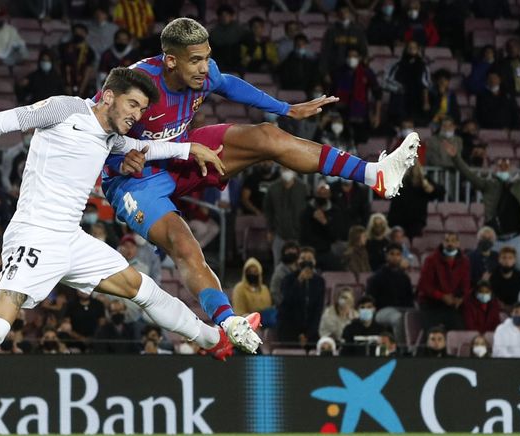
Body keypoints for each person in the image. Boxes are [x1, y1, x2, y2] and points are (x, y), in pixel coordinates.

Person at [0, 68, 262, 436]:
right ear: (109, 96)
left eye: (142, 109)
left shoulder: (112, 137)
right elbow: (1, 121)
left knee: (142, 288)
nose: (137, 115)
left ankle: (214, 340)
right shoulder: (65, 109)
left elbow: (146, 148)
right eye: (133, 104)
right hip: (33, 235)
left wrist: (188, 149)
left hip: (72, 240)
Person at [102, 18, 419, 335]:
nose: (205, 68)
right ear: (171, 61)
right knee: (182, 243)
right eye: (196, 60)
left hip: (183, 152)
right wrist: (118, 162)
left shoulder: (204, 73)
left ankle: (374, 174)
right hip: (135, 179)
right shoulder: (136, 83)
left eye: (207, 57)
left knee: (268, 135)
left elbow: (228, 84)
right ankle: (229, 323)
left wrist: (285, 109)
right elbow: (92, 129)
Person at [452, 155, 520, 276]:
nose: (503, 168)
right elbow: (468, 174)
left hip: (516, 238)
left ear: (511, 168)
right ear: (495, 168)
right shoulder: (488, 185)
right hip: (494, 239)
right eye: (500, 165)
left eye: (506, 165)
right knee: (490, 273)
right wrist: (455, 158)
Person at [417, 232, 471, 331]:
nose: (450, 243)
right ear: (442, 242)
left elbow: (465, 284)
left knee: (459, 331)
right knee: (432, 332)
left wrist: (461, 298)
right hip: (431, 305)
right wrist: (442, 296)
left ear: (458, 243)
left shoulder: (464, 261)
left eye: (453, 241)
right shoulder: (431, 260)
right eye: (447, 240)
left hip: (451, 305)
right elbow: (424, 284)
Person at [278, 247, 325, 347]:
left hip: (311, 332)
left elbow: (318, 310)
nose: (306, 261)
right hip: (290, 329)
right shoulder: (288, 279)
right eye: (303, 258)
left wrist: (307, 335)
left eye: (310, 258)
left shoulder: (320, 281)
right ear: (297, 261)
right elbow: (287, 301)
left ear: (315, 262)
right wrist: (299, 281)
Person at [366, 243, 415, 340]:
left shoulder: (405, 278)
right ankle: (402, 346)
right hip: (382, 311)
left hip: (402, 309)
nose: (395, 257)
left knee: (416, 316)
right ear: (386, 256)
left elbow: (410, 300)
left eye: (398, 254)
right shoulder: (377, 277)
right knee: (398, 318)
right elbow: (370, 299)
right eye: (392, 254)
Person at [387, 164, 445, 240]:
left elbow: (441, 191)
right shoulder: (397, 178)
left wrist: (432, 189)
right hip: (398, 220)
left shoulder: (423, 180)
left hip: (416, 222)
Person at [300, 181, 340, 270]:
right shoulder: (306, 211)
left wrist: (324, 222)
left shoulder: (334, 211)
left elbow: (335, 235)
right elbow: (303, 233)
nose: (322, 194)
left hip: (326, 250)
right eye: (320, 192)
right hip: (309, 251)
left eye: (325, 192)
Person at [321, 6, 368, 75]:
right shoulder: (331, 31)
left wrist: (356, 61)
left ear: (350, 13)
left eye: (346, 12)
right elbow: (325, 52)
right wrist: (325, 73)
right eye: (341, 12)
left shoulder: (358, 31)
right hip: (335, 69)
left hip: (354, 71)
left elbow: (364, 52)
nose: (343, 14)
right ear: (337, 14)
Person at [270, 241, 300, 307]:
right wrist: (284, 305)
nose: (290, 251)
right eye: (288, 249)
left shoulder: (301, 268)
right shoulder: (279, 271)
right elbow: (274, 291)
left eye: (293, 249)